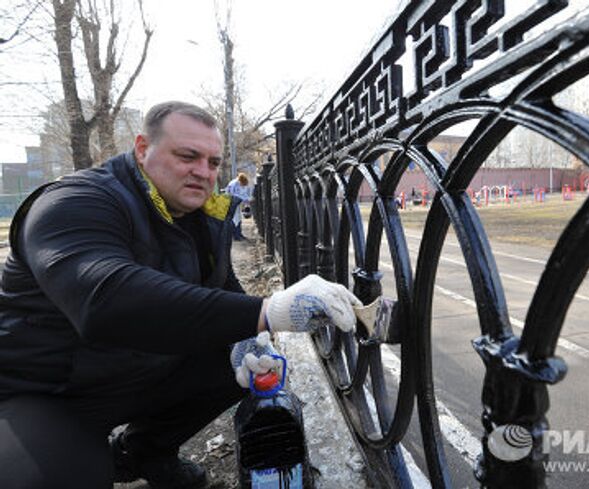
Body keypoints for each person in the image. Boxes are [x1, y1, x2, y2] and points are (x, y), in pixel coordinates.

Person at [0, 101, 361, 489]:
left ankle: (142, 452)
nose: (203, 173)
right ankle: (71, 451)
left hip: (127, 372)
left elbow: (223, 288)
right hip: (44, 390)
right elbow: (106, 301)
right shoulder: (75, 202)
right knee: (51, 478)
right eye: (188, 156)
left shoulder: (198, 215)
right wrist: (268, 311)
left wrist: (250, 338)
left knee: (236, 364)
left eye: (213, 162)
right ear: (142, 148)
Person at [225, 172, 252, 240]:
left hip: (237, 203)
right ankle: (236, 235)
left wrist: (247, 198)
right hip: (232, 203)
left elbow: (243, 193)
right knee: (234, 218)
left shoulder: (239, 183)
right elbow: (232, 194)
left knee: (238, 218)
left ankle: (239, 234)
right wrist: (246, 198)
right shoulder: (234, 184)